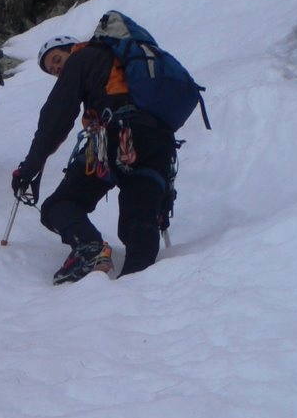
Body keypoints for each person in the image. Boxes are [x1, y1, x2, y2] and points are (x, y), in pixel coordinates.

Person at [11, 33, 178, 283]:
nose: (57, 68)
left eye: (57, 59)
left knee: (58, 206)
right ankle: (137, 286)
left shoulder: (82, 58)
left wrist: (30, 168)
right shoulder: (120, 63)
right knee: (138, 221)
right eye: (52, 69)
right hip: (158, 142)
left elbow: (55, 119)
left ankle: (91, 248)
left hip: (117, 137)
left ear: (71, 49)